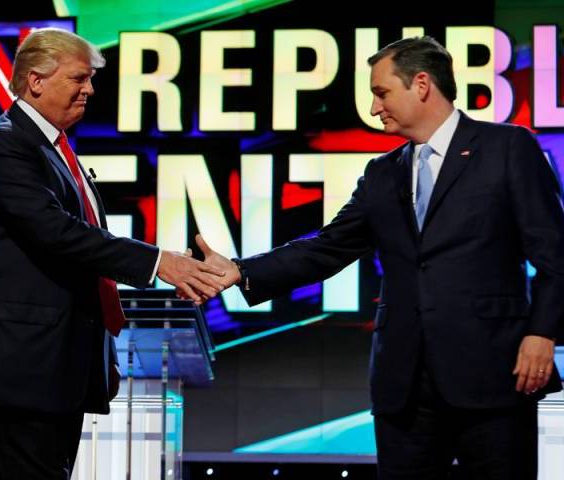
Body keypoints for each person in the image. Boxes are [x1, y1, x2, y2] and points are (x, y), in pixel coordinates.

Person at [192, 36, 564, 479]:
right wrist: (241, 271)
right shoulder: (382, 173)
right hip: (403, 386)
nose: (373, 108)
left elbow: (556, 253)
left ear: (421, 83)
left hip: (493, 373)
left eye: (381, 92)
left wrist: (542, 334)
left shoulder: (506, 148)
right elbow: (326, 247)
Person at [0, 28, 223, 479]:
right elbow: (57, 234)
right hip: (17, 363)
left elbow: (74, 264)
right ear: (36, 81)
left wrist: (99, 353)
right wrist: (158, 261)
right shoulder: (5, 145)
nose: (89, 89)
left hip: (52, 362)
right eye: (79, 78)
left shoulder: (53, 150)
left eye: (90, 79)